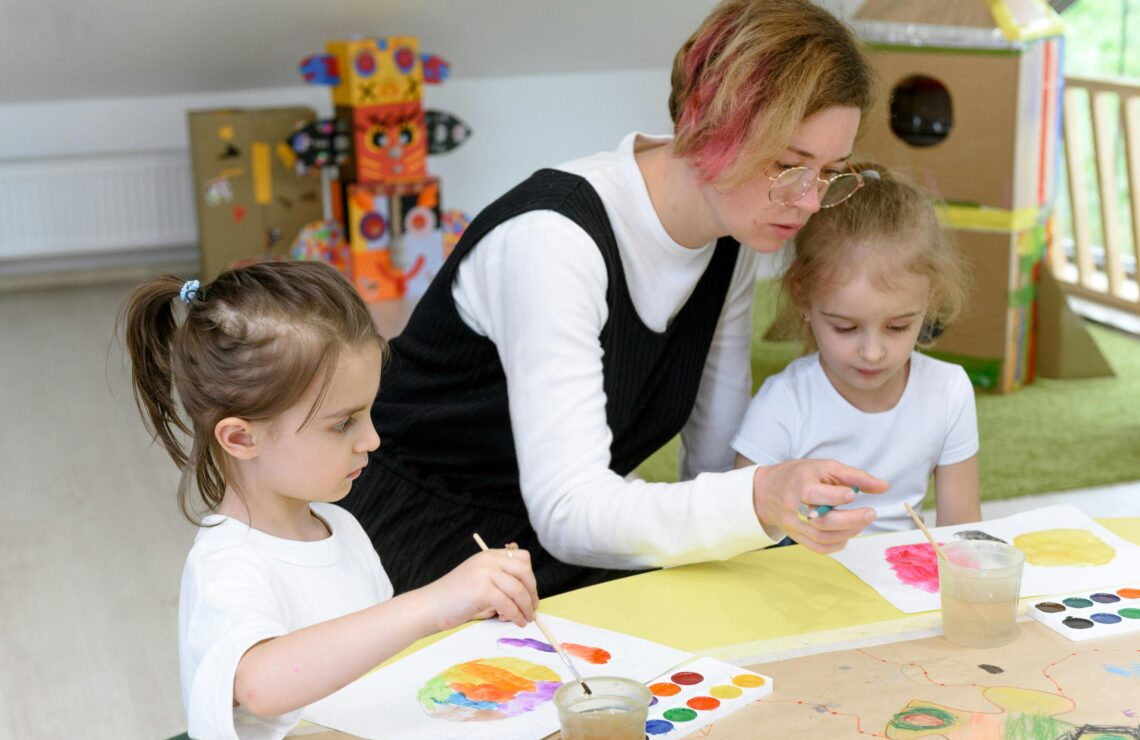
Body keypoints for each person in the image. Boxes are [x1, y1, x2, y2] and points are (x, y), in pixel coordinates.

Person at [342, 0, 889, 597]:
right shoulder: (554, 240)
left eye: (830, 173)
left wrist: (768, 508)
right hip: (413, 541)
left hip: (541, 545)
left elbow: (713, 459)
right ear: (707, 124)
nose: (809, 202)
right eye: (788, 166)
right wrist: (756, 499)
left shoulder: (734, 234)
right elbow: (571, 512)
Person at [121, 261, 538, 740]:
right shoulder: (227, 561)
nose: (373, 439)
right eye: (343, 424)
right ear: (241, 438)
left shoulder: (340, 526)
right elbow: (259, 684)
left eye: (370, 412)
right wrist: (432, 605)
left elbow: (372, 656)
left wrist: (468, 609)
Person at [733, 165, 979, 537]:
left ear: (931, 297)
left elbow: (962, 533)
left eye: (898, 327)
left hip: (901, 569)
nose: (873, 353)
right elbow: (742, 531)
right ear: (802, 295)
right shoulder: (783, 403)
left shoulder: (949, 391)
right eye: (845, 328)